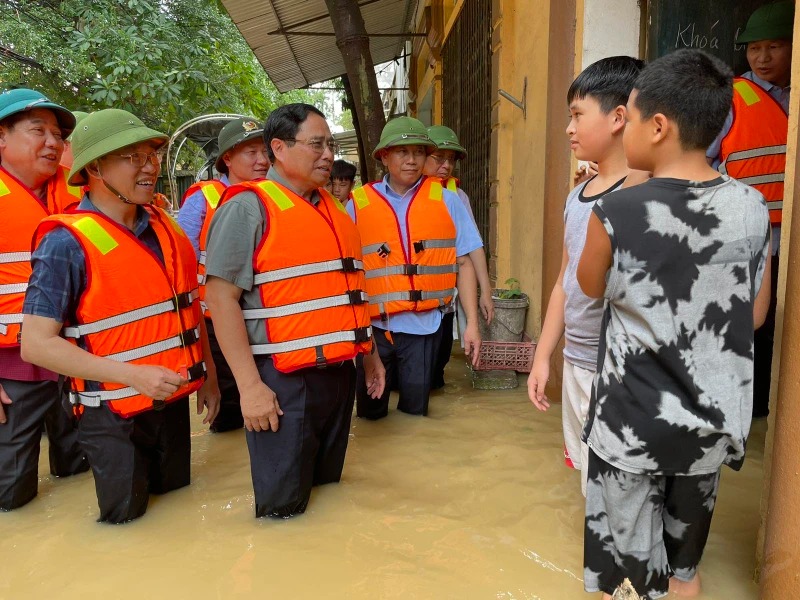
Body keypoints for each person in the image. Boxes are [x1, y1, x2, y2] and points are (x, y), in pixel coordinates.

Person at [577, 49, 771, 598]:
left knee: (631, 577)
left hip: (631, 430)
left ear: (657, 126)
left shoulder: (615, 214)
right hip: (708, 430)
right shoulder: (752, 207)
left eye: (630, 118)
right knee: (684, 571)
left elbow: (592, 288)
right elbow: (754, 313)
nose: (624, 128)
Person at [20, 109, 220, 523]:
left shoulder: (166, 225)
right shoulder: (65, 242)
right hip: (111, 415)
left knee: (178, 512)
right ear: (94, 167)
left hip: (171, 399)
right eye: (133, 157)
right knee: (126, 523)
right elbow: (36, 344)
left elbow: (188, 305)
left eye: (152, 155)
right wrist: (133, 375)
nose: (150, 167)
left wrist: (211, 377)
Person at [204, 103, 386, 519]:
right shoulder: (247, 208)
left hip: (338, 375)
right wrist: (249, 388)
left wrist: (370, 356)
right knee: (282, 512)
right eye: (317, 144)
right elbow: (220, 299)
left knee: (327, 496)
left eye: (331, 145)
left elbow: (348, 294)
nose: (328, 154)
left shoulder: (332, 209)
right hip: (281, 381)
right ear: (279, 149)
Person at [527, 56, 644, 497]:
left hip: (619, 366)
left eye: (578, 115)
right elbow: (563, 282)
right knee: (589, 482)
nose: (569, 129)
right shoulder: (577, 195)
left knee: (621, 488)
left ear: (618, 118)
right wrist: (543, 357)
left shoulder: (645, 192)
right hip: (576, 361)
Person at [348, 116, 482, 419]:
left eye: (419, 152)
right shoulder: (358, 203)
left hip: (425, 327)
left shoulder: (449, 201)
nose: (411, 160)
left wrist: (471, 322)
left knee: (415, 416)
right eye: (402, 152)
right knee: (370, 415)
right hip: (374, 330)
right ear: (384, 156)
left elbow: (465, 262)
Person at [0, 88, 88, 511]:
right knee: (11, 490)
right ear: (2, 137)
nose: (52, 143)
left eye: (57, 134)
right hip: (11, 370)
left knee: (80, 474)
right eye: (38, 131)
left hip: (74, 361)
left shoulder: (78, 195)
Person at [706, 0, 793, 418]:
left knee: (780, 327)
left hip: (788, 235)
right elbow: (698, 161)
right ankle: (747, 412)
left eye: (774, 46)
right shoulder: (731, 98)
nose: (762, 57)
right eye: (754, 48)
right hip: (741, 234)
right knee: (745, 324)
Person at [178, 116, 268, 433]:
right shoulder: (204, 198)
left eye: (265, 151)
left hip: (265, 320)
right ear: (227, 158)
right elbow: (183, 265)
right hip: (217, 323)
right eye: (251, 152)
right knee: (229, 412)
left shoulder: (277, 198)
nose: (262, 160)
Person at [423, 124, 494, 389]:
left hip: (445, 298)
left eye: (451, 159)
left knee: (436, 369)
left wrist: (485, 292)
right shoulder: (405, 197)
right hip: (410, 302)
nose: (446, 165)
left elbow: (472, 249)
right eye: (439, 158)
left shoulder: (457, 197)